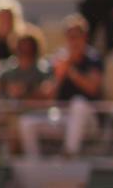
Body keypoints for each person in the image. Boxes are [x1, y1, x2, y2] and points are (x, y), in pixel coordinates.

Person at [18, 14, 102, 158]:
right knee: (27, 122)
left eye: (77, 36)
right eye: (70, 37)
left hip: (89, 120)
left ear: (85, 38)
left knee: (78, 103)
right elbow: (49, 96)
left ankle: (69, 153)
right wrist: (59, 76)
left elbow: (92, 88)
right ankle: (34, 164)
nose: (73, 41)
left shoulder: (93, 59)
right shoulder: (57, 59)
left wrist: (71, 72)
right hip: (64, 117)